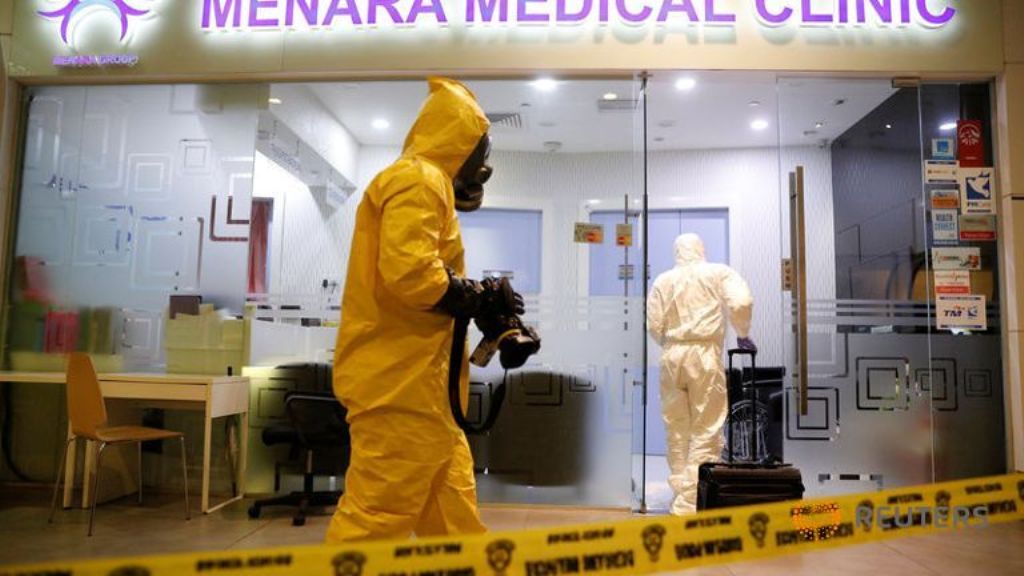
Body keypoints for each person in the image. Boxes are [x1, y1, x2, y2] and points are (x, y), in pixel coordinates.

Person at [325, 77, 495, 542]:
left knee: (454, 519)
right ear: (459, 144)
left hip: (426, 392)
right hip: (399, 390)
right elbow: (411, 272)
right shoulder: (419, 178)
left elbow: (422, 272)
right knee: (376, 519)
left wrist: (475, 299)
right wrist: (467, 295)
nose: (483, 167)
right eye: (480, 152)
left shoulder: (426, 182)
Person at [647, 233, 755, 515]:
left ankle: (680, 494)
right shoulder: (718, 273)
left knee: (677, 429)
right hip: (704, 355)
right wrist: (742, 333)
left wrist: (670, 342)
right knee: (705, 428)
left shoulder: (662, 280)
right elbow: (741, 302)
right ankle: (692, 500)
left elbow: (653, 325)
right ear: (701, 249)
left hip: (671, 356)